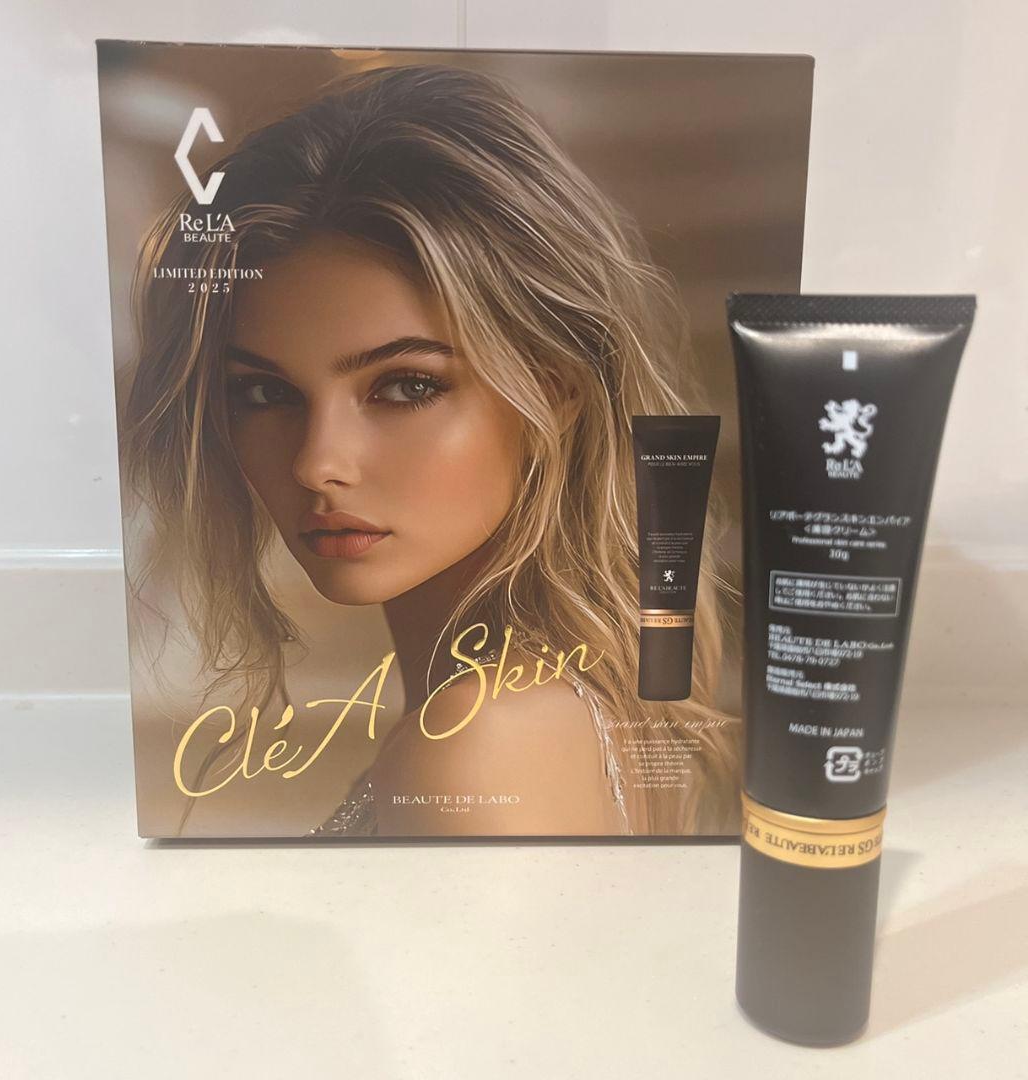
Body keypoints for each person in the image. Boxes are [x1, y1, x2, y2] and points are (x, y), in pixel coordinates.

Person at [123, 63, 739, 837]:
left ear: (555, 391)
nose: (317, 463)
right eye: (265, 393)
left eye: (406, 386)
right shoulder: (582, 692)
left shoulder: (473, 747)